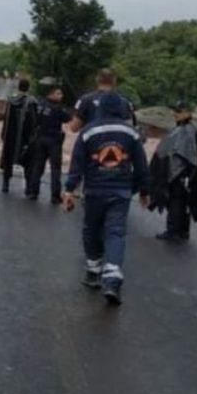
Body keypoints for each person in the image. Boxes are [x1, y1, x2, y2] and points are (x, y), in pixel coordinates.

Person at [62, 92, 151, 306]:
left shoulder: (88, 132)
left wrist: (69, 190)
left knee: (91, 228)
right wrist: (144, 191)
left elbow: (77, 163)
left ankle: (93, 271)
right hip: (121, 192)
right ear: (121, 109)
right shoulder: (131, 133)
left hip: (94, 190)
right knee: (115, 233)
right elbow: (141, 165)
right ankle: (112, 280)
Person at [150, 100, 197, 243]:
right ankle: (182, 231)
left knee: (175, 202)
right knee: (182, 202)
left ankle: (173, 231)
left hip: (180, 172)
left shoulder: (186, 130)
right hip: (183, 172)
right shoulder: (186, 128)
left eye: (179, 111)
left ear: (188, 112)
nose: (175, 114)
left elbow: (185, 154)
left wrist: (174, 172)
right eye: (175, 111)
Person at [24, 78, 73, 202]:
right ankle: (55, 195)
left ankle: (33, 192)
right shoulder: (58, 108)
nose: (61, 96)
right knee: (55, 169)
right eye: (58, 93)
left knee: (38, 166)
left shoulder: (40, 105)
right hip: (54, 140)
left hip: (40, 139)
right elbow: (68, 118)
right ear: (50, 94)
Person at [0, 78, 37, 194]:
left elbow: (5, 118)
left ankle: (5, 184)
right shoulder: (32, 102)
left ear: (18, 87)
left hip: (10, 136)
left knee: (8, 160)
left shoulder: (11, 101)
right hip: (25, 136)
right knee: (28, 161)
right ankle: (28, 188)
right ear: (28, 88)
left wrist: (3, 133)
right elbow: (35, 121)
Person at [69, 68, 136, 132]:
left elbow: (74, 128)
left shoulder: (84, 100)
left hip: (92, 141)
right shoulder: (124, 101)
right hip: (117, 141)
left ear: (97, 79)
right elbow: (130, 128)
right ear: (114, 80)